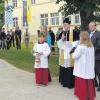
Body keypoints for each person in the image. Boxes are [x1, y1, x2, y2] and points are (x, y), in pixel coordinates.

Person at [73, 31, 96, 100]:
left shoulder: (80, 47)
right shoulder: (91, 47)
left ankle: (83, 94)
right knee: (89, 79)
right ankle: (90, 95)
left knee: (82, 79)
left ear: (82, 38)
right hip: (89, 67)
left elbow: (75, 56)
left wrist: (73, 52)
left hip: (82, 67)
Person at [57, 18, 80, 88]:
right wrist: (62, 39)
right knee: (63, 66)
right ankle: (64, 82)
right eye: (64, 24)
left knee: (70, 68)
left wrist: (70, 44)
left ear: (69, 25)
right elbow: (58, 43)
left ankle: (70, 83)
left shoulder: (74, 32)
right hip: (63, 53)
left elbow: (77, 43)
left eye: (66, 24)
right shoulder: (62, 33)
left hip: (70, 53)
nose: (64, 26)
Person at [89, 21, 100, 91]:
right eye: (90, 26)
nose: (91, 27)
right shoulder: (89, 33)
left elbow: (99, 45)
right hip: (90, 56)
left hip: (97, 56)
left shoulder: (98, 34)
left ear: (95, 26)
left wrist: (92, 50)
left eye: (92, 26)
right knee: (92, 71)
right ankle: (94, 83)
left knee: (98, 71)